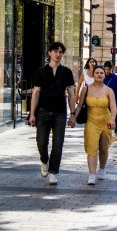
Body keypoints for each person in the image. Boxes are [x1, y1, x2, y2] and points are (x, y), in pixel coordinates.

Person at [29, 42, 76, 185]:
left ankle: (54, 172)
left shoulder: (67, 72)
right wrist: (32, 114)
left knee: (58, 143)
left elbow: (71, 94)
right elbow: (36, 93)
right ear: (49, 53)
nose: (58, 54)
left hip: (60, 113)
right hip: (43, 112)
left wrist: (72, 114)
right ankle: (44, 160)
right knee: (41, 142)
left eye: (61, 52)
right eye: (55, 51)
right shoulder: (41, 72)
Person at [73, 65, 117, 185]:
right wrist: (73, 117)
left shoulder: (109, 90)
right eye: (97, 72)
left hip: (105, 121)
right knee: (92, 147)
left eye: (101, 73)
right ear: (93, 75)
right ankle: (92, 174)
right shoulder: (86, 89)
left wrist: (112, 119)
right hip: (91, 121)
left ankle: (102, 169)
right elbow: (80, 105)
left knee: (103, 148)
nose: (99, 75)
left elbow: (113, 107)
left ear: (104, 75)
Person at [103, 61, 117, 135]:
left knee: (115, 114)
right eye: (105, 69)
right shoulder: (102, 76)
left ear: (111, 68)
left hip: (114, 99)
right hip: (104, 99)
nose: (107, 71)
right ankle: (106, 129)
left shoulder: (115, 78)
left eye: (108, 69)